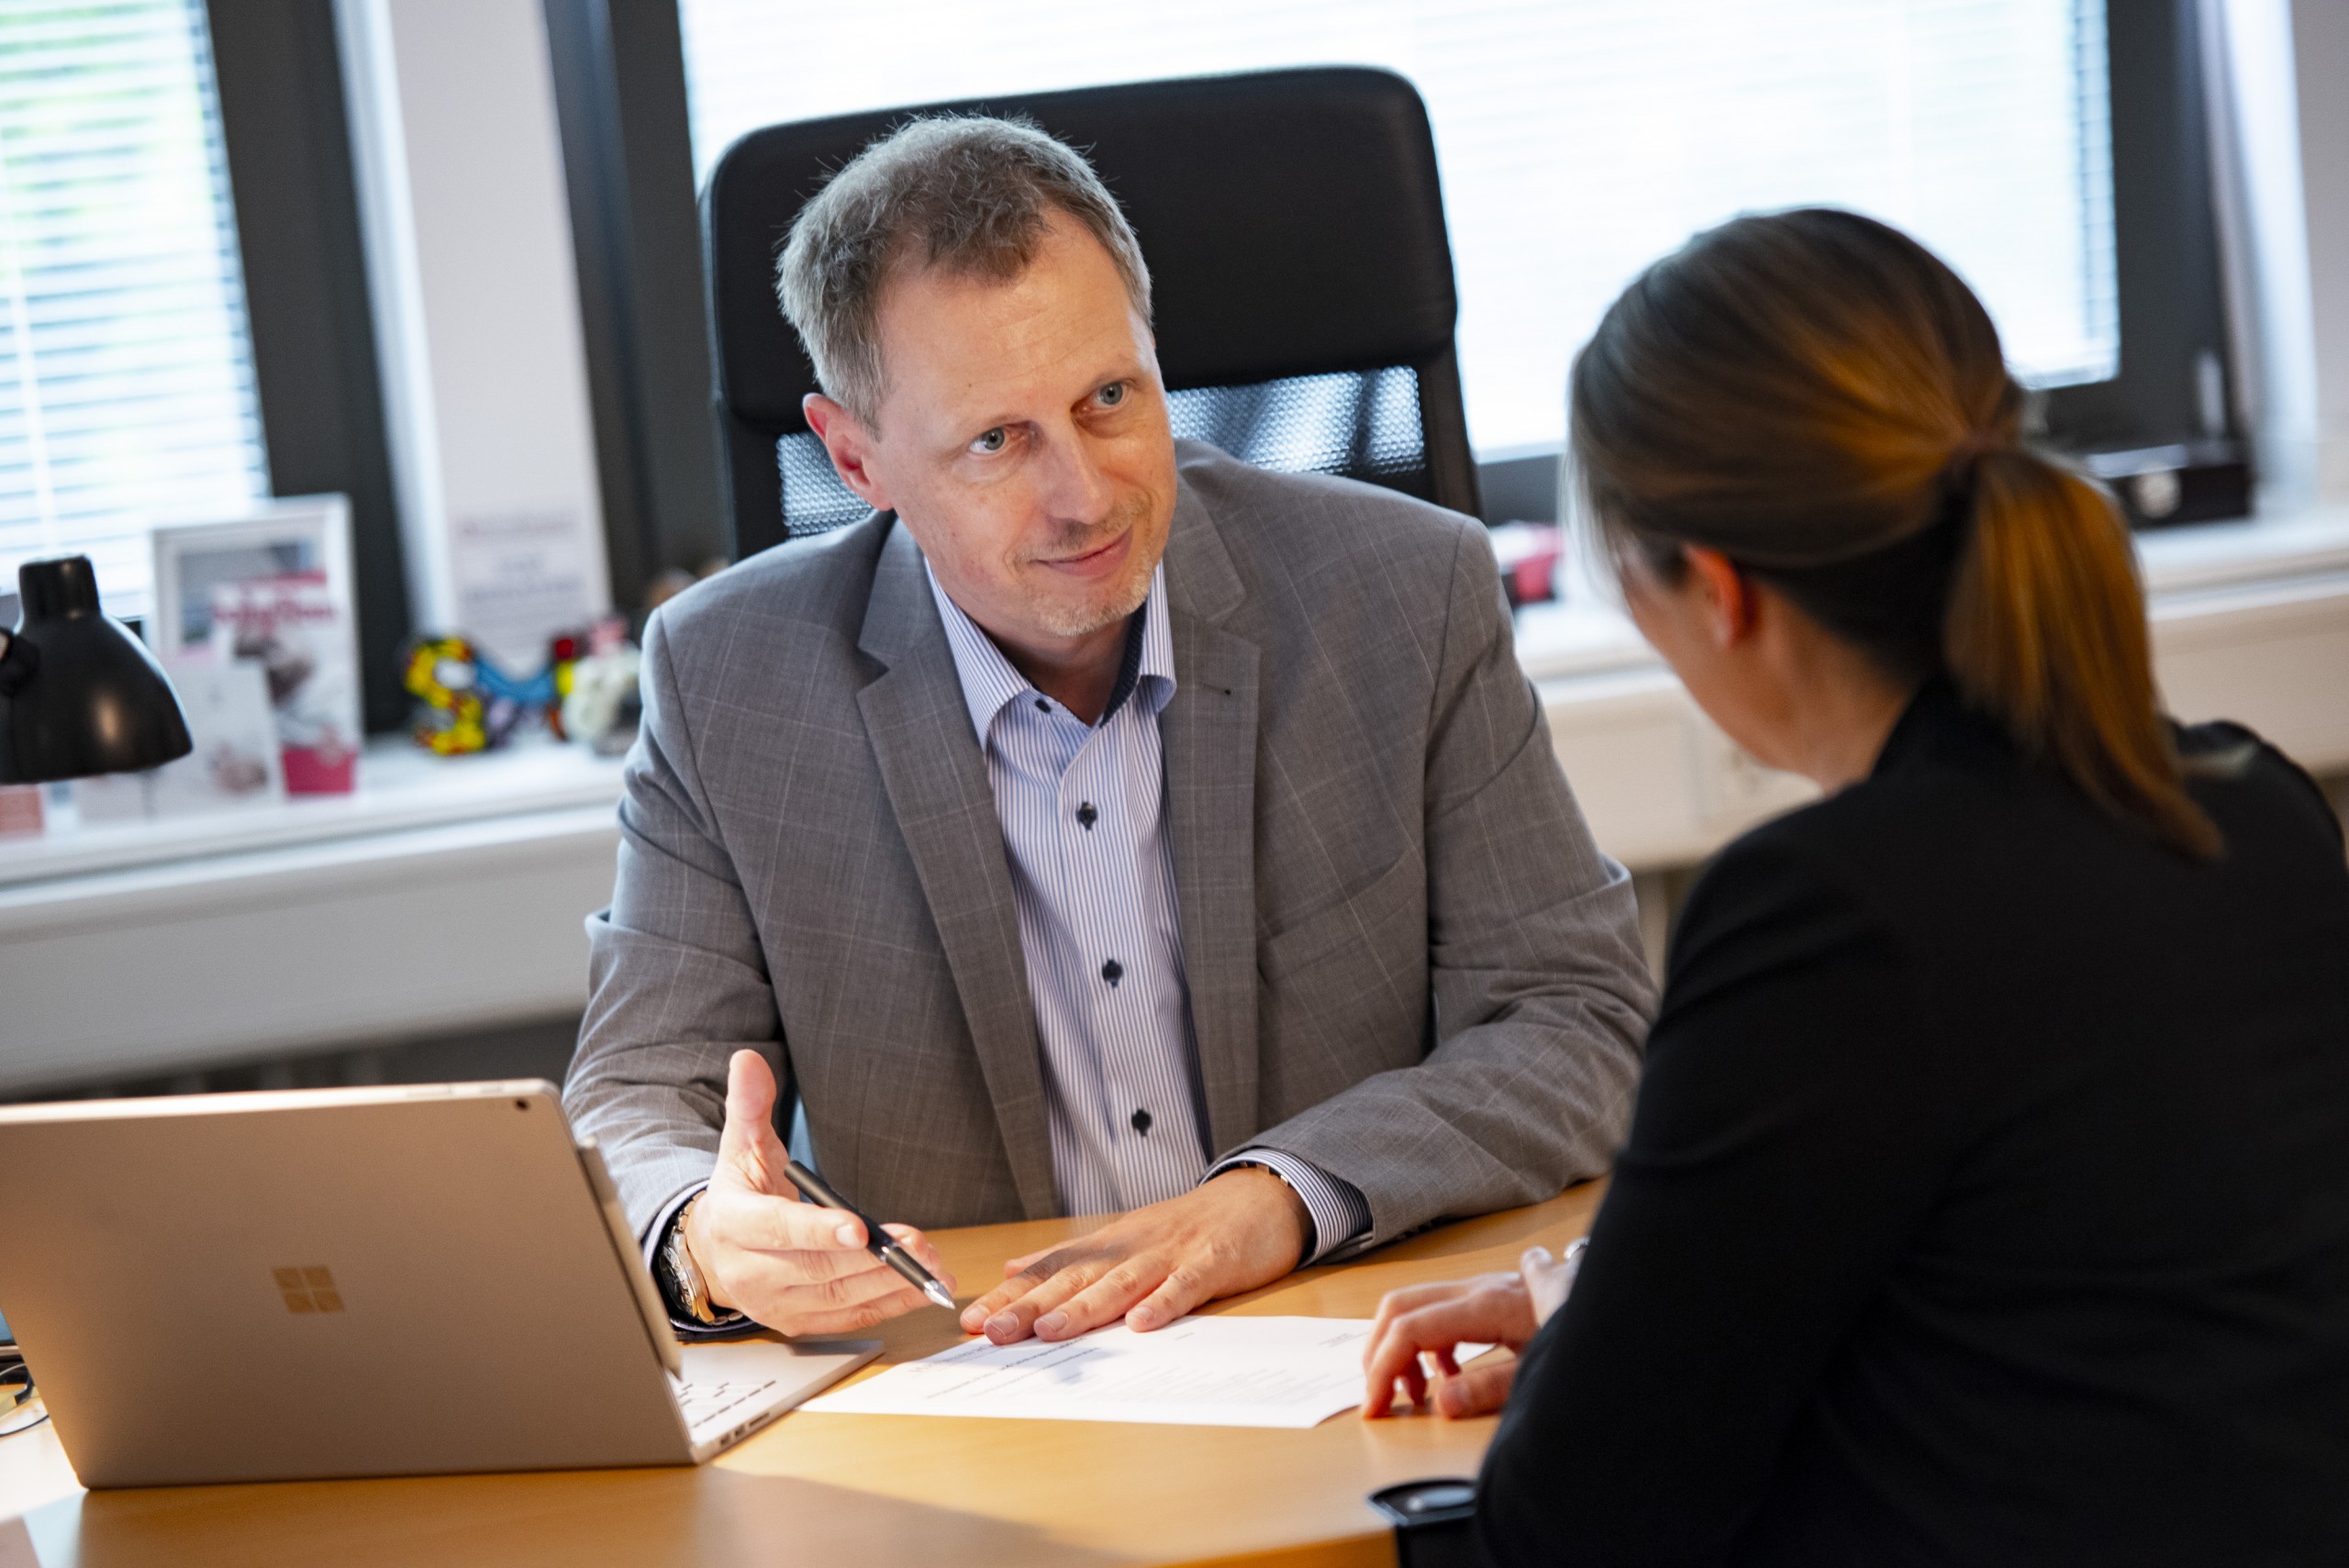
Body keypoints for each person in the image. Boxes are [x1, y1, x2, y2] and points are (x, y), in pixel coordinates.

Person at [562, 116, 1654, 1349]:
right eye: (996, 440)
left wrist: (1280, 1197)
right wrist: (704, 1237)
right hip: (980, 1378)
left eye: (1109, 399)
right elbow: (633, 1098)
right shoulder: (728, 680)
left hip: (1337, 1332)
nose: (1084, 497)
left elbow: (1580, 1021)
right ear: (857, 460)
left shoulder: (1405, 593)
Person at [1362, 208, 2349, 1564]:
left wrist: (1597, 1354)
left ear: (1720, 591)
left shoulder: (1832, 917)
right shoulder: (2253, 804)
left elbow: (1572, 1525)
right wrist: (1608, 1307)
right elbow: (2048, 1271)